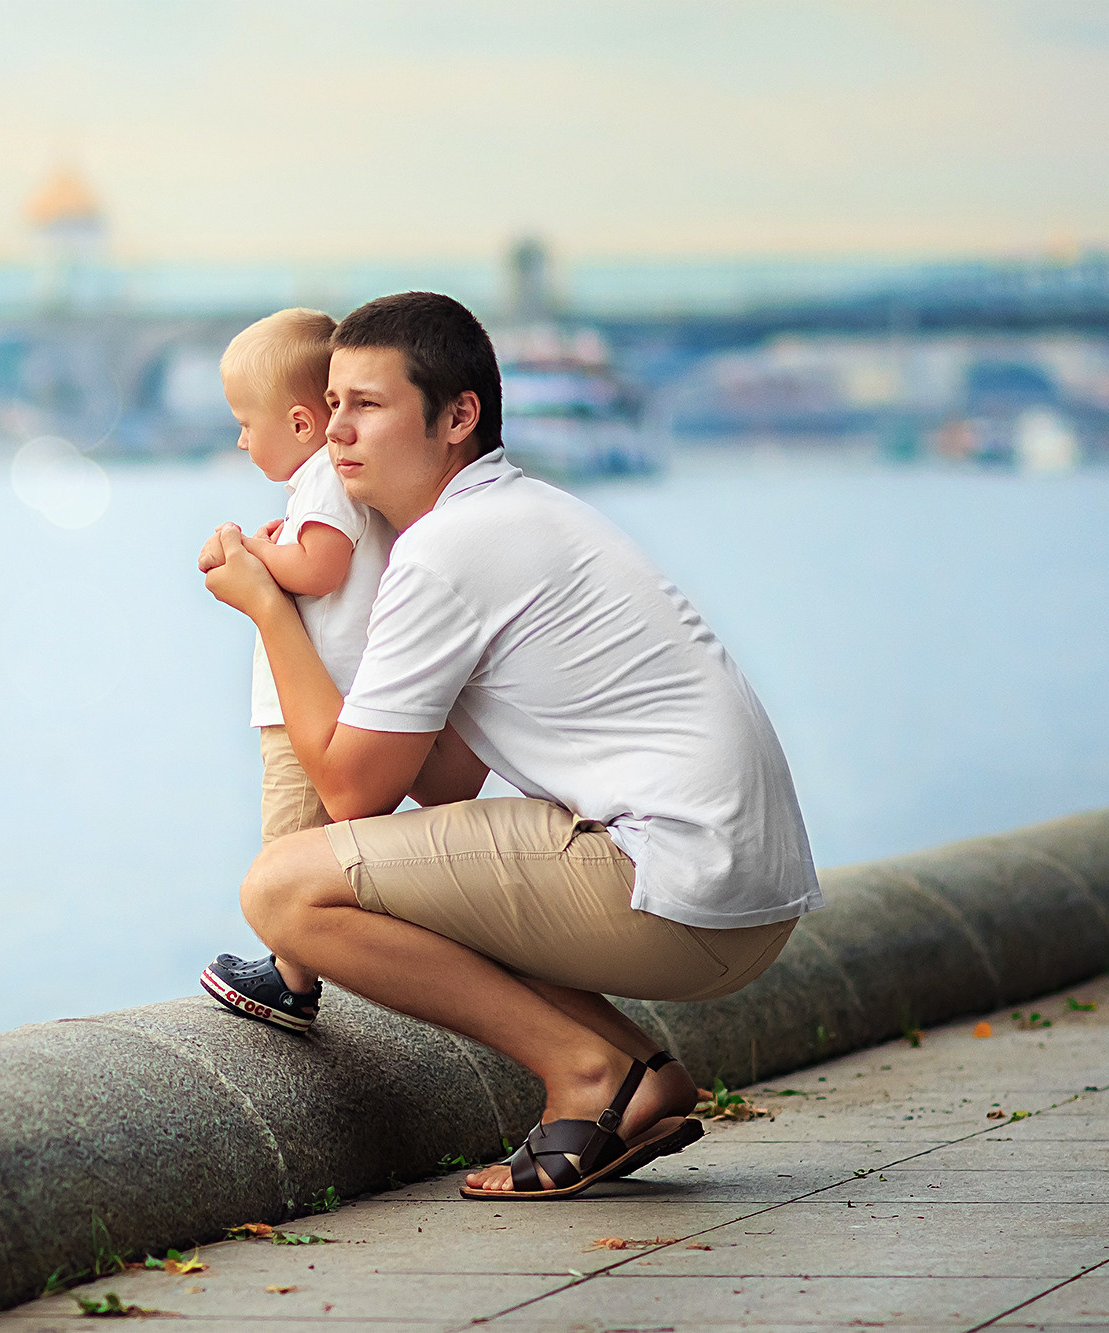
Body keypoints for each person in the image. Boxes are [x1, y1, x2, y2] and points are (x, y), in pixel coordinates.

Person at [196, 292, 820, 1201]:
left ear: (458, 417)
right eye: (329, 404)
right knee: (388, 870)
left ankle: (586, 1073)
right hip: (731, 885)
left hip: (681, 883)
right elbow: (448, 779)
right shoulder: (505, 516)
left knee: (283, 887)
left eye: (367, 404)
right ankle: (640, 1074)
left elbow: (352, 795)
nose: (335, 431)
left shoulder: (452, 546)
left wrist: (267, 604)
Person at [197, 309, 395, 1034]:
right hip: (336, 698)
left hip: (307, 707)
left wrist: (250, 554)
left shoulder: (323, 483)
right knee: (324, 844)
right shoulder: (329, 484)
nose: (242, 440)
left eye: (246, 424)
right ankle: (304, 965)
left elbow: (320, 567)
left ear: (302, 423)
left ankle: (290, 978)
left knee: (288, 841)